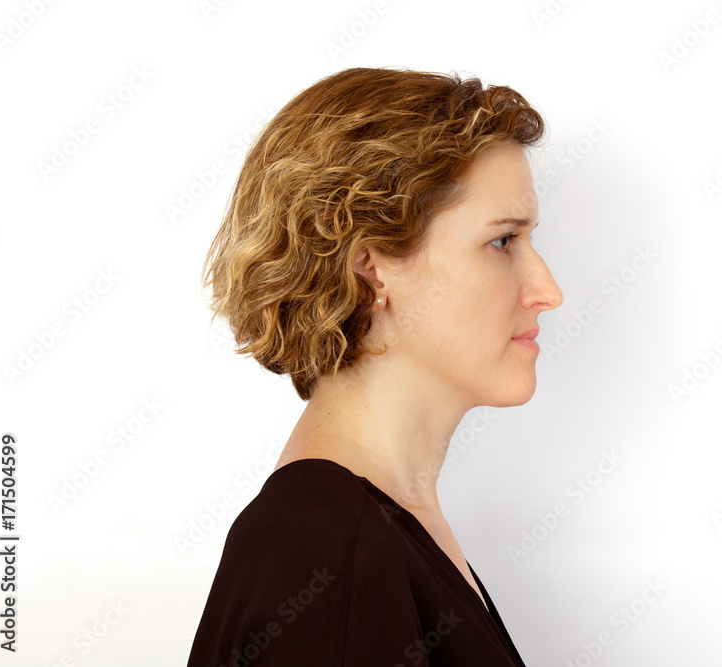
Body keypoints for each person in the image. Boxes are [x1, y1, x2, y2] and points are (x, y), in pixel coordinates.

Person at [186, 66, 563, 666]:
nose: (547, 291)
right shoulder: (333, 552)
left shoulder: (373, 528)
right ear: (371, 270)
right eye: (502, 242)